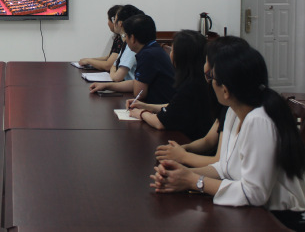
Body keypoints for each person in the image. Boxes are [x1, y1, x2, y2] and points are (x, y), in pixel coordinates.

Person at [150, 46, 305, 231]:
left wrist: (193, 181)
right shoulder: (233, 111)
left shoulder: (259, 121)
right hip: (254, 213)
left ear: (225, 90)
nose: (209, 82)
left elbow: (254, 194)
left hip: (278, 220)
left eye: (212, 78)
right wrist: (180, 174)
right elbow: (225, 167)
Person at [154, 36, 249, 167]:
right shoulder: (228, 105)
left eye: (206, 61)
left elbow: (221, 163)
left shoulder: (241, 109)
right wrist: (183, 149)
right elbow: (208, 140)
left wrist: (183, 157)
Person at [126, 30, 219, 140]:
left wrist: (141, 113)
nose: (170, 53)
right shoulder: (200, 79)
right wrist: (145, 106)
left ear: (180, 57)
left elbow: (160, 123)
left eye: (172, 50)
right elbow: (174, 107)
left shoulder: (190, 86)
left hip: (188, 140)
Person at [90, 14, 175, 104]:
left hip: (160, 107)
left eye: (126, 35)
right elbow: (137, 83)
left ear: (133, 38)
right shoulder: (153, 49)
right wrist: (106, 86)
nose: (125, 39)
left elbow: (139, 93)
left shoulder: (147, 55)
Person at [88, 4, 143, 93]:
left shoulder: (132, 46)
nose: (113, 23)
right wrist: (113, 70)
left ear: (120, 23)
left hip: (130, 91)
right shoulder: (125, 42)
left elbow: (116, 76)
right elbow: (114, 66)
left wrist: (113, 71)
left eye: (114, 19)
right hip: (126, 87)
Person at [78, 5, 123, 71]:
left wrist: (89, 61)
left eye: (109, 19)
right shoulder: (118, 37)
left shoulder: (122, 39)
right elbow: (108, 57)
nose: (108, 23)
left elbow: (108, 65)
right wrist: (89, 60)